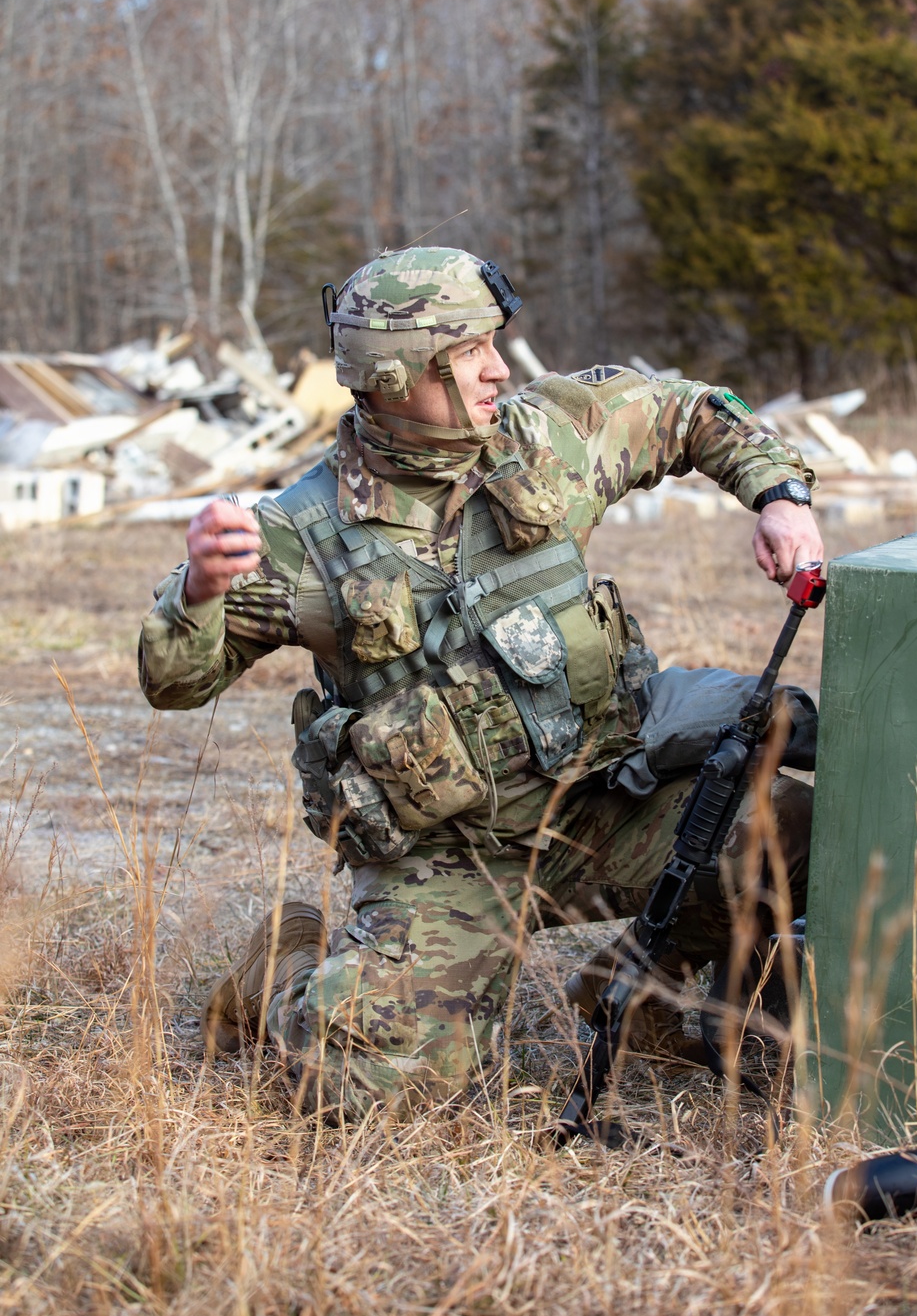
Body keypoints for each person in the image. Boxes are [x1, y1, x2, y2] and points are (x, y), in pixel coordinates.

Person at [139, 246, 825, 1121]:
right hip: (450, 856)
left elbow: (686, 411)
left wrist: (777, 493)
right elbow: (170, 681)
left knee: (797, 842)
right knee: (374, 1091)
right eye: (470, 355)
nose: (501, 368)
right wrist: (198, 589)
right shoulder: (299, 535)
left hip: (599, 803)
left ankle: (649, 993)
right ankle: (283, 962)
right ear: (394, 376)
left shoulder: (546, 439)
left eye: (497, 345)